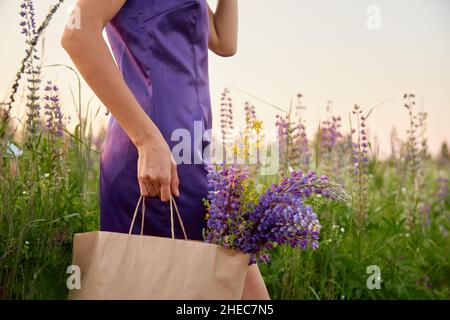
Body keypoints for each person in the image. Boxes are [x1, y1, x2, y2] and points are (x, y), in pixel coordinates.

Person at [61, 0, 269, 300]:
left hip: (193, 155)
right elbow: (77, 35)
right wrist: (146, 140)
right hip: (151, 155)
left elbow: (225, 41)